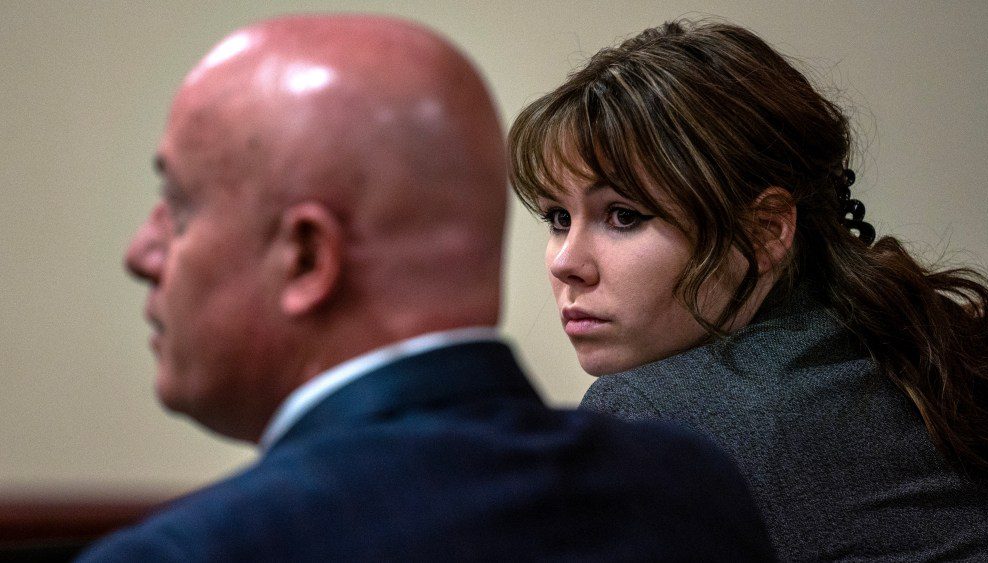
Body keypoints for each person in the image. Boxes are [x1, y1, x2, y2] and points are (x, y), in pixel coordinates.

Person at [76, 14, 775, 562]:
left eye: (181, 206)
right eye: (555, 218)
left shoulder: (186, 554)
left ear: (307, 258)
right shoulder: (689, 489)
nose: (142, 251)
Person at [508, 18, 988, 562]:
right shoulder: (904, 349)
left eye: (623, 216)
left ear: (766, 230)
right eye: (557, 217)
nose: (566, 263)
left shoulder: (655, 417)